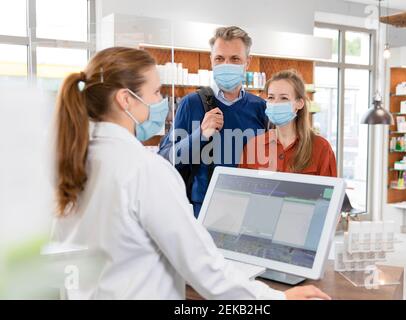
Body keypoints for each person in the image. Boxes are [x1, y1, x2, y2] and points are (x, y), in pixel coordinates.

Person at [51, 46, 330, 300]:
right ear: (126, 99)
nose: (161, 102)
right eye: (157, 93)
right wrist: (279, 299)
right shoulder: (144, 170)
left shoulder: (75, 160)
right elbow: (203, 267)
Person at [159, 26, 269, 218]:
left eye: (235, 59)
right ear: (211, 61)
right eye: (219, 58)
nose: (226, 64)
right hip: (204, 209)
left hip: (250, 209)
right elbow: (166, 160)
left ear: (247, 62)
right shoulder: (191, 104)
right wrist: (199, 135)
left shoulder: (260, 107)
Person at [240, 70, 337, 177]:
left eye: (284, 98)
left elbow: (330, 192)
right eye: (271, 97)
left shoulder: (321, 148)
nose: (275, 103)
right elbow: (241, 189)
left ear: (299, 104)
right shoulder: (253, 146)